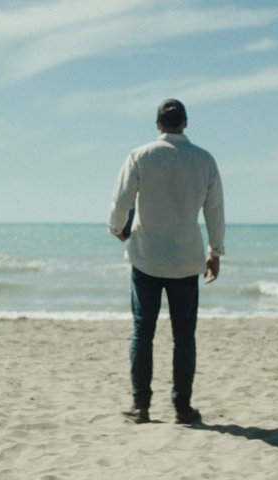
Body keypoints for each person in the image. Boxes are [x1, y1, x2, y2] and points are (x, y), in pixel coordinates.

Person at [108, 99, 225, 424]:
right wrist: (215, 251)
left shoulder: (140, 156)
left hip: (146, 257)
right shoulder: (204, 160)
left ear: (158, 125)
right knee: (184, 336)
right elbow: (214, 209)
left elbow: (121, 200)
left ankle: (140, 406)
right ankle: (183, 408)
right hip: (186, 260)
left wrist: (117, 229)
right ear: (185, 123)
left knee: (142, 331)